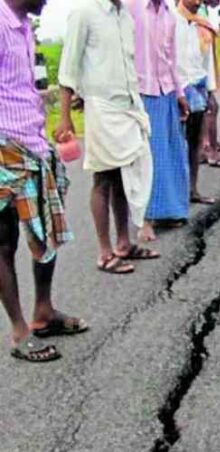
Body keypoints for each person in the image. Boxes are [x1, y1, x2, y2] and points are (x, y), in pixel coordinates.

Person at [0, 0, 88, 362]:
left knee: (45, 234)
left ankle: (43, 311)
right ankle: (20, 331)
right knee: (3, 241)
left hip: (33, 144)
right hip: (4, 145)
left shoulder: (22, 26)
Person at [57, 0, 160, 275]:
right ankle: (105, 252)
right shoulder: (84, 13)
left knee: (124, 175)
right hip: (102, 108)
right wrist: (65, 117)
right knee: (103, 177)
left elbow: (126, 66)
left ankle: (124, 243)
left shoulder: (125, 16)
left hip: (128, 107)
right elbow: (68, 69)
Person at [126, 0, 191, 242]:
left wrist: (180, 93)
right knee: (148, 156)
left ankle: (173, 210)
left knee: (172, 153)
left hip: (166, 90)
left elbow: (171, 59)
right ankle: (146, 220)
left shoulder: (168, 15)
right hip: (142, 90)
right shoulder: (132, 7)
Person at [175, 0, 218, 205]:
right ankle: (178, 193)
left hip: (198, 88)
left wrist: (209, 92)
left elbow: (207, 62)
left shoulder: (203, 25)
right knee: (177, 143)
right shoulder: (172, 22)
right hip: (178, 90)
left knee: (195, 144)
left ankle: (192, 189)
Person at [198, 0, 220, 168]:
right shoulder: (194, 14)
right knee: (210, 108)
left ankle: (205, 147)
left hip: (202, 74)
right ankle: (211, 152)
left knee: (205, 109)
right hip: (198, 76)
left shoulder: (200, 11)